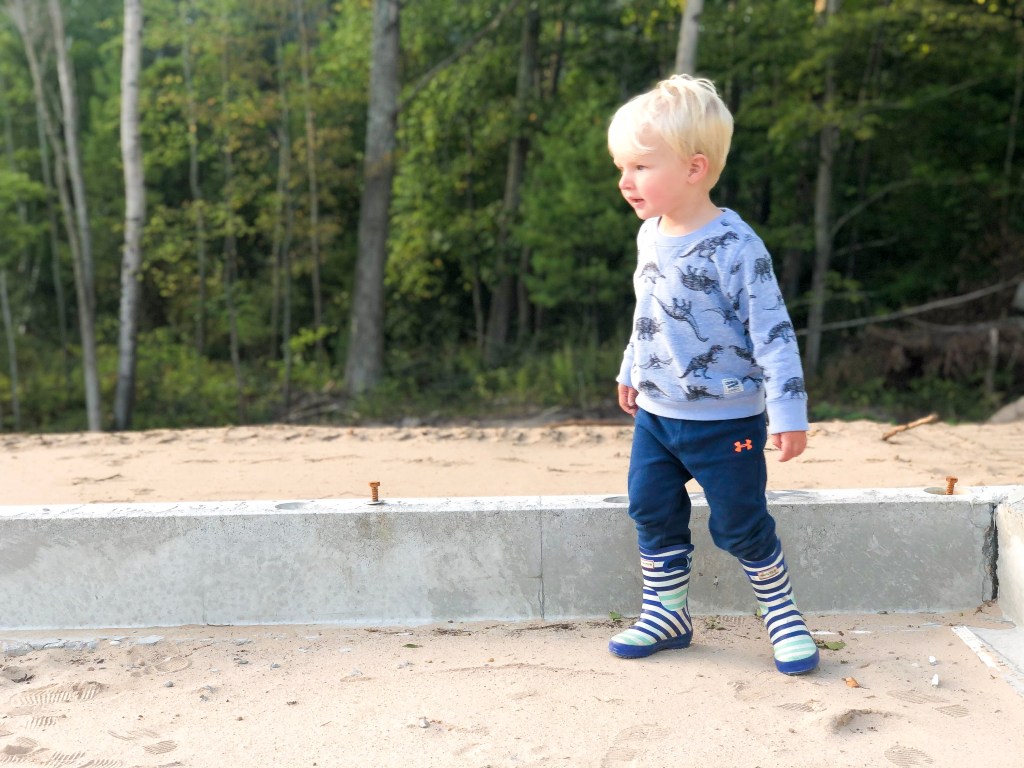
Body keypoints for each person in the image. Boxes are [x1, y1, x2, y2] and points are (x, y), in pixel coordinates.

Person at [606, 74, 818, 675]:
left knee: (740, 524)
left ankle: (782, 615)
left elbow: (773, 334)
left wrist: (789, 413)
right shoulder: (649, 235)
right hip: (657, 417)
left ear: (694, 168)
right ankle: (668, 614)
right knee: (651, 509)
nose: (625, 181)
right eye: (622, 167)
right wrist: (631, 366)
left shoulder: (737, 246)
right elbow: (648, 312)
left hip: (727, 421)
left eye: (640, 167)